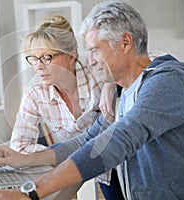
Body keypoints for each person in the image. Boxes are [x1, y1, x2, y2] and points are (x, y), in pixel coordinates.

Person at [0, 1, 184, 200]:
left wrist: (31, 193)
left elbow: (119, 140)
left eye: (95, 50)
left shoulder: (167, 80)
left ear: (125, 43)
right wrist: (25, 159)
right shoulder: (125, 92)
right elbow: (88, 141)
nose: (89, 61)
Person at [9, 14, 119, 199]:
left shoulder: (97, 70)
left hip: (115, 158)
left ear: (71, 56)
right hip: (73, 161)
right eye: (33, 58)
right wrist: (55, 155)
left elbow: (147, 59)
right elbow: (19, 146)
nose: (38, 66)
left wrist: (110, 82)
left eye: (46, 57)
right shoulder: (34, 92)